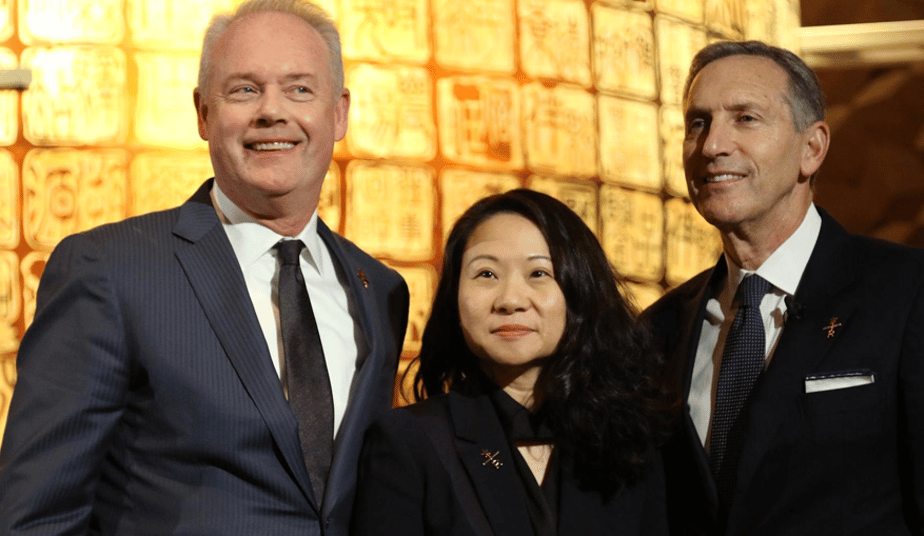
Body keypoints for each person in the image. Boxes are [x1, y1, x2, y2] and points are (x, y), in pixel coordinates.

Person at [0, 0, 409, 534]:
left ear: (339, 114)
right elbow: (37, 514)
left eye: (299, 89)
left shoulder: (379, 289)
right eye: (244, 89)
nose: (272, 111)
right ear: (202, 113)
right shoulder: (110, 270)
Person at [642, 40, 924, 535]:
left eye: (746, 119)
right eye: (698, 123)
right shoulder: (656, 331)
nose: (713, 145)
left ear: (812, 148)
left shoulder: (919, 296)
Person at [352, 189, 670, 536]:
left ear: (580, 288)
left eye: (538, 274)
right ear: (454, 296)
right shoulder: (409, 443)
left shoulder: (629, 441)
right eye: (486, 274)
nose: (510, 300)